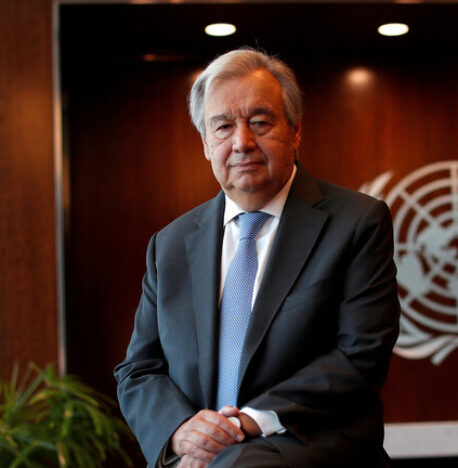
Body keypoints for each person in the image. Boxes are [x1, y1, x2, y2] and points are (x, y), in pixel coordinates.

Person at [114, 48, 400, 468]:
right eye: (223, 127)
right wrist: (182, 432)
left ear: (295, 131)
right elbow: (138, 370)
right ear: (206, 143)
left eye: (260, 122)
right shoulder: (170, 245)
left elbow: (360, 357)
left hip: (307, 447)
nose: (242, 142)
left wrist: (242, 425)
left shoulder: (356, 223)